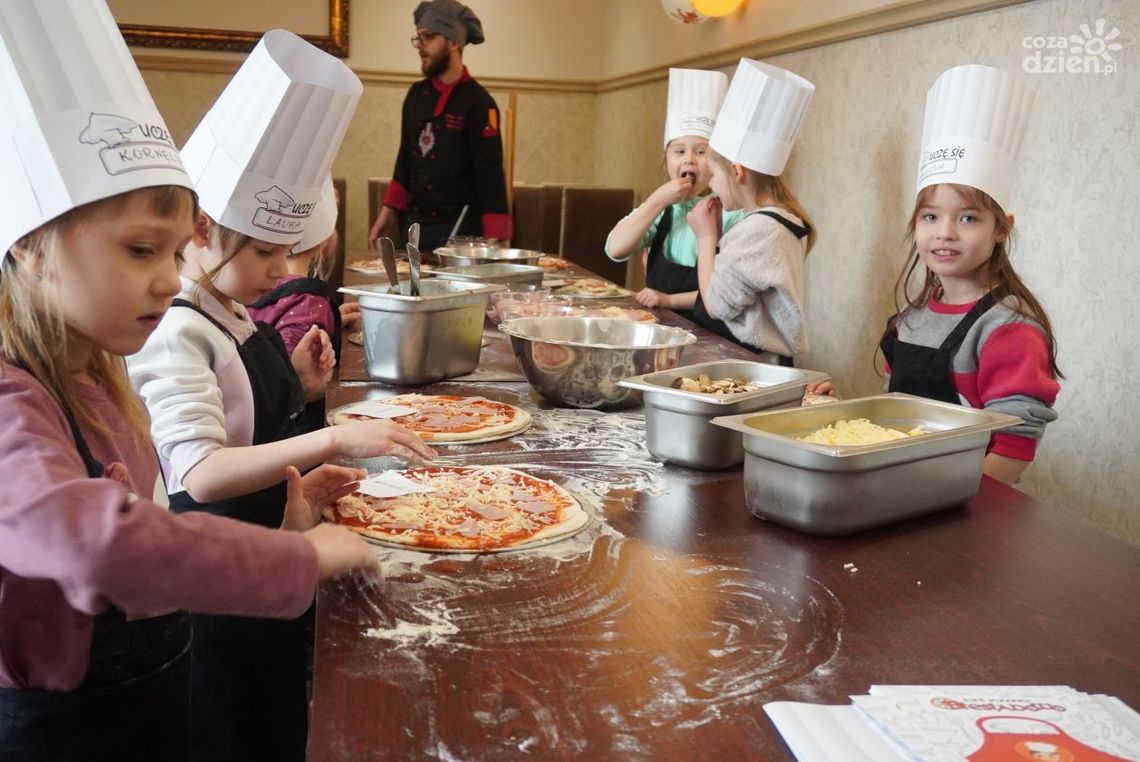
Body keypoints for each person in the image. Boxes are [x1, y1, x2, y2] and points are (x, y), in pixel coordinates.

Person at [0, 4, 375, 759]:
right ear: (34, 249)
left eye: (175, 254)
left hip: (154, 700)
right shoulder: (13, 404)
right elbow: (96, 544)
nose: (170, 281)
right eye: (141, 250)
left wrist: (287, 520)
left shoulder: (95, 373)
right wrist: (296, 560)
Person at [128, 30, 437, 762]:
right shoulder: (178, 331)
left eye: (287, 251)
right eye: (264, 251)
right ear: (200, 231)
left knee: (277, 719)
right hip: (217, 583)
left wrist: (298, 388)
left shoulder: (228, 311)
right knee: (235, 727)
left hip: (272, 546)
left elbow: (241, 421)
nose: (281, 269)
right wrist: (330, 436)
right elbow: (198, 472)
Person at [806, 64, 1061, 485]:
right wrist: (842, 413)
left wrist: (936, 497)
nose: (944, 232)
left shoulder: (1008, 330)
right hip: (901, 494)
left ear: (1001, 228)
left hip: (961, 513)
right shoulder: (910, 320)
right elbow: (898, 421)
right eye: (930, 216)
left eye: (967, 218)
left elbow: (1013, 452)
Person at [686, 59, 817, 366]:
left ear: (737, 172)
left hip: (754, 363)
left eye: (714, 175)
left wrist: (707, 237)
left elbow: (717, 305)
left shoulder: (759, 230)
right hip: (750, 357)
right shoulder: (780, 220)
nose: (711, 185)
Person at [367, 0, 512, 253]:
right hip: (414, 227)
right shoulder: (415, 95)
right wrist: (387, 212)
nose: (420, 47)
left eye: (427, 37)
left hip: (462, 235)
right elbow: (405, 161)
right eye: (418, 38)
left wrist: (497, 236)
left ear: (453, 41)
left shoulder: (480, 103)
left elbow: (490, 174)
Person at [605, 68, 745, 317]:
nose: (689, 160)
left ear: (718, 164)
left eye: (701, 152)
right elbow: (615, 249)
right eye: (679, 152)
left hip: (709, 333)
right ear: (665, 161)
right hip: (659, 328)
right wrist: (656, 201)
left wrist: (669, 299)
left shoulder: (732, 215)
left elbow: (726, 291)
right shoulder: (662, 210)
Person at [248, 177, 357, 435]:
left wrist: (331, 319)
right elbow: (284, 389)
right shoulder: (308, 303)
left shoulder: (270, 291)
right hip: (296, 439)